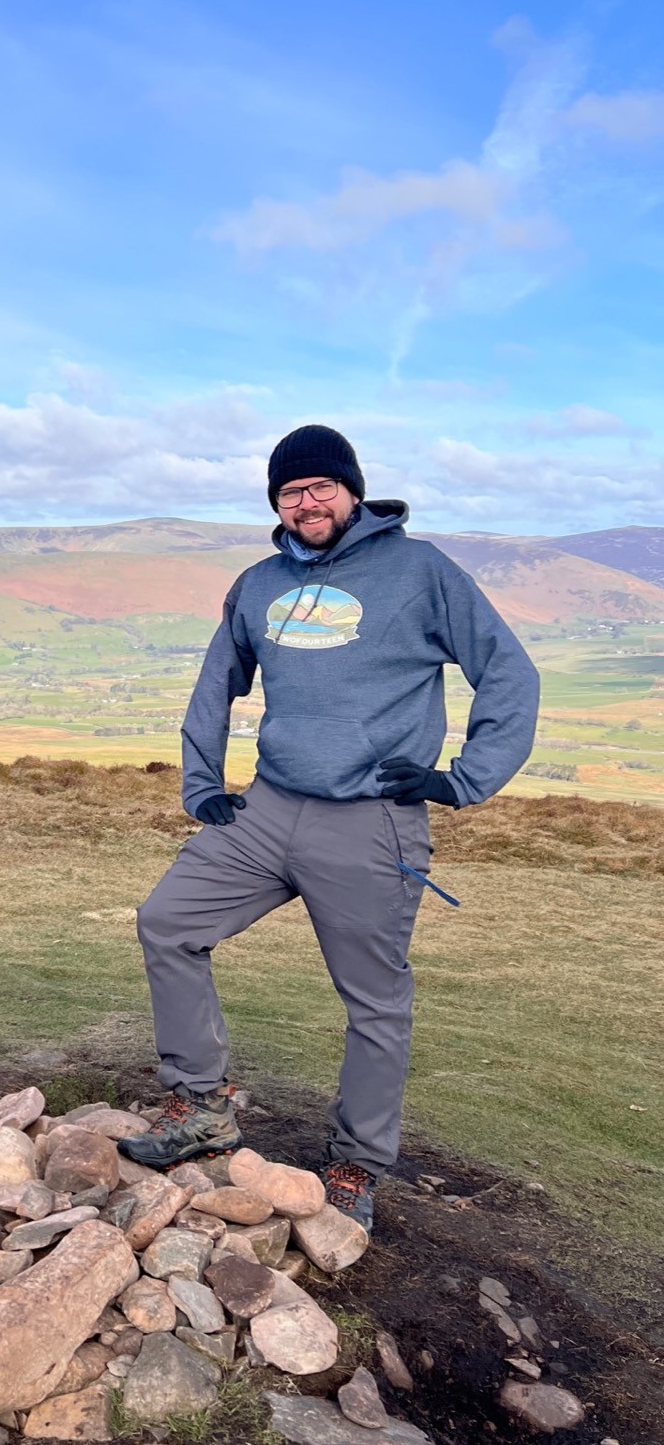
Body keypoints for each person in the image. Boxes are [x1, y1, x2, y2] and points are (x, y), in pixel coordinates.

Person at [117, 425, 540, 1233]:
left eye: (319, 487)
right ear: (273, 503)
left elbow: (508, 673)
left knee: (374, 1000)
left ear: (352, 491)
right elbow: (216, 686)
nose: (305, 502)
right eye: (288, 492)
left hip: (371, 822)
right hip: (268, 810)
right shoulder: (258, 583)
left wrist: (462, 779)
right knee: (167, 923)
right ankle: (202, 1102)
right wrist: (202, 785)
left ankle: (355, 1162)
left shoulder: (420, 572)